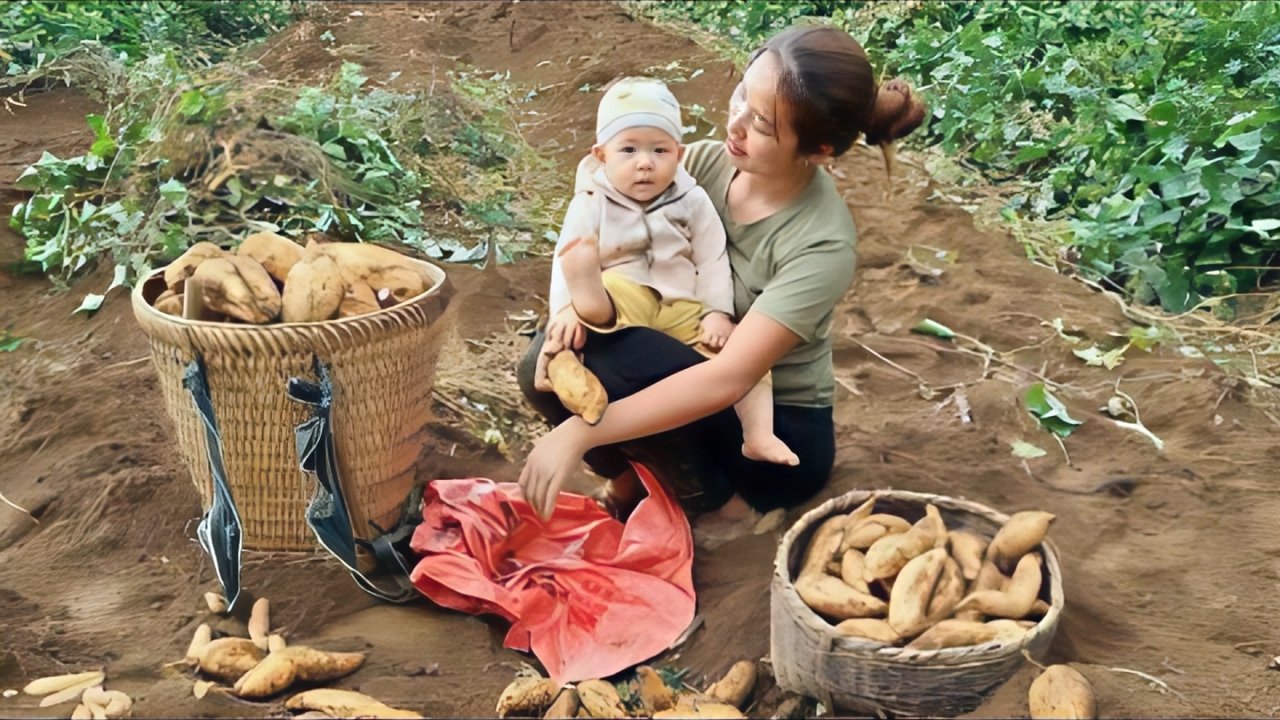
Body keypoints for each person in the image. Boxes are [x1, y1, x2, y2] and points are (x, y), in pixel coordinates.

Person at [517, 25, 925, 540]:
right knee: (548, 358)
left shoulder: (822, 243)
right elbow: (598, 199)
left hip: (771, 435)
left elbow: (731, 377)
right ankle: (631, 481)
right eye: (741, 99)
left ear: (819, 149)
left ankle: (727, 510)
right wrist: (566, 311)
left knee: (616, 359)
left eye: (761, 123)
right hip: (678, 359)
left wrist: (576, 434)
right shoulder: (706, 164)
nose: (736, 125)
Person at [537, 76, 800, 468]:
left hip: (682, 306)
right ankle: (583, 306)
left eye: (659, 150)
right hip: (622, 296)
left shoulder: (691, 200)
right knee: (598, 285)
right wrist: (563, 309)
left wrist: (717, 312)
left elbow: (711, 257)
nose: (645, 162)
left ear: (678, 154)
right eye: (628, 149)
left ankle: (758, 433)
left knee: (746, 354)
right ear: (602, 154)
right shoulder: (591, 201)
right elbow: (565, 256)